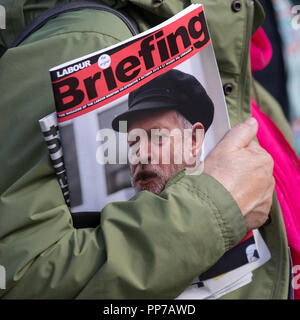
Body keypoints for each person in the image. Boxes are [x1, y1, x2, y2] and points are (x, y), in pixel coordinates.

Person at [0, 0, 291, 299]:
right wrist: (214, 210)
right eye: (134, 141)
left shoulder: (231, 58)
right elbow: (19, 278)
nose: (141, 154)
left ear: (194, 141)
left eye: (157, 137)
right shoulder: (84, 37)